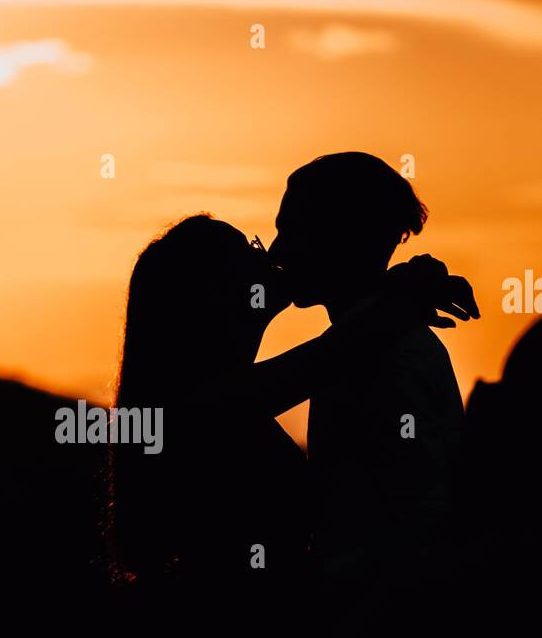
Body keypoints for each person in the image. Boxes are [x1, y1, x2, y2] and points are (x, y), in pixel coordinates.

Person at [109, 210, 478, 587]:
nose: (268, 254)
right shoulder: (203, 406)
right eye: (247, 250)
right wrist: (398, 291)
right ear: (210, 291)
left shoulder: (207, 399)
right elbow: (335, 353)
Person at [268, 152, 478, 595]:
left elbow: (416, 523)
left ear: (343, 236)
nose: (276, 251)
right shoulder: (363, 343)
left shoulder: (387, 356)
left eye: (291, 231)